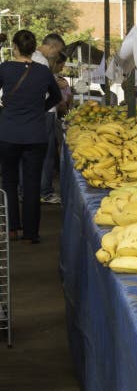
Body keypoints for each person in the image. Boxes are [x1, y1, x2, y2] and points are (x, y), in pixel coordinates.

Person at [0, 30, 62, 243]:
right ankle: (30, 233)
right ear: (33, 47)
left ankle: (12, 229)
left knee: (9, 181)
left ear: (15, 47)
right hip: (35, 135)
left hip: (8, 133)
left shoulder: (5, 68)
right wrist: (39, 109)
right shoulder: (43, 71)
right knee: (32, 184)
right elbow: (57, 96)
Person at [32, 33, 65, 205]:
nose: (57, 56)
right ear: (52, 46)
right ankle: (45, 191)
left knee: (31, 154)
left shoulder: (32, 57)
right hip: (46, 112)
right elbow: (46, 90)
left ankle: (28, 191)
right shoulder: (43, 62)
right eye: (57, 51)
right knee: (46, 154)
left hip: (35, 113)